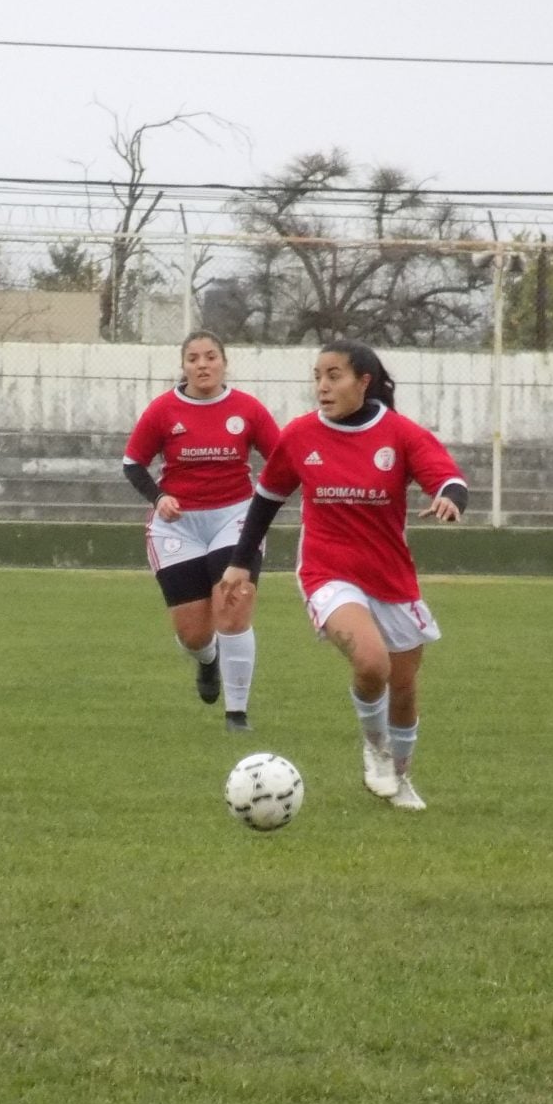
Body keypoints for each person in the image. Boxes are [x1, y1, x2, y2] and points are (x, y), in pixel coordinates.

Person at [218, 341, 467, 811]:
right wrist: (239, 560)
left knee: (406, 685)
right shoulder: (300, 436)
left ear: (363, 382)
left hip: (391, 577)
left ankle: (402, 776)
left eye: (334, 376)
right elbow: (267, 499)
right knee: (372, 664)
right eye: (317, 376)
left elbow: (446, 477)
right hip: (326, 571)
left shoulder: (399, 434)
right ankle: (374, 750)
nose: (322, 387)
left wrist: (451, 498)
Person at [122, 330, 281, 732]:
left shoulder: (247, 409)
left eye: (210, 356)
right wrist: (159, 498)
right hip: (179, 524)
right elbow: (133, 463)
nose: (202, 364)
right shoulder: (163, 410)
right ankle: (207, 660)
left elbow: (281, 460)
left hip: (236, 518)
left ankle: (237, 715)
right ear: (184, 366)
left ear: (224, 362)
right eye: (193, 358)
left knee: (233, 609)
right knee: (194, 634)